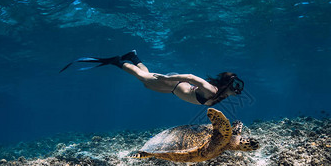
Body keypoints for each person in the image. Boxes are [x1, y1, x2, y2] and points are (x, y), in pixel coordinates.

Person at [60, 50, 244, 106]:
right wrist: (166, 77)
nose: (237, 89)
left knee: (146, 83)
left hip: (173, 90)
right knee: (143, 77)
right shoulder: (212, 90)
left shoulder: (223, 95)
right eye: (234, 85)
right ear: (227, 84)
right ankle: (116, 61)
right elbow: (191, 77)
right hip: (174, 83)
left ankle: (133, 57)